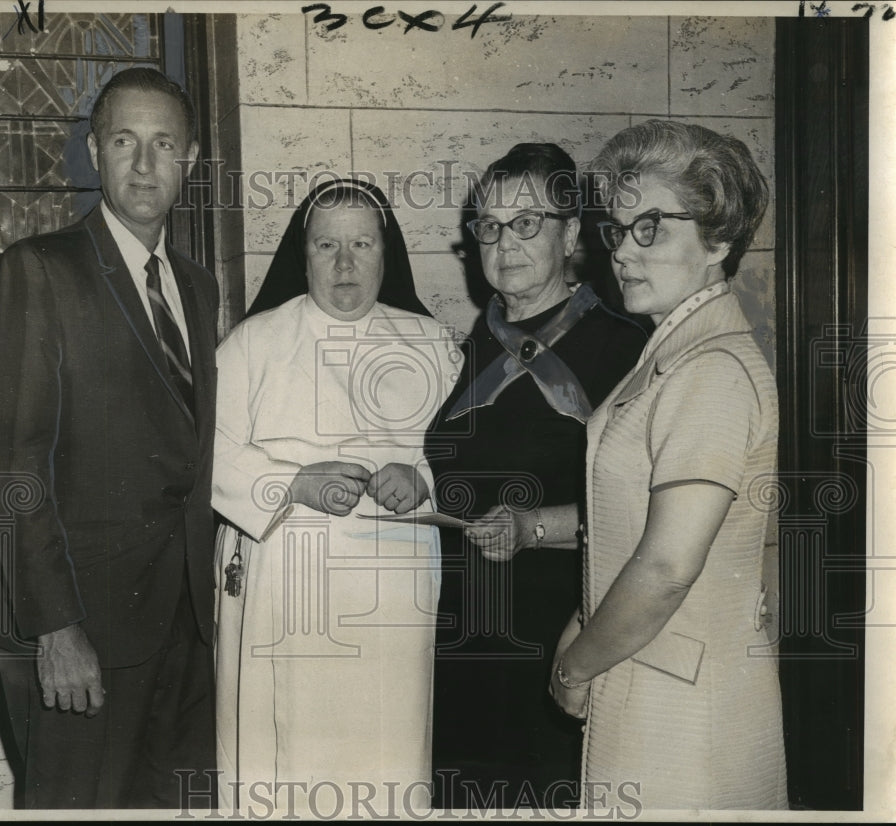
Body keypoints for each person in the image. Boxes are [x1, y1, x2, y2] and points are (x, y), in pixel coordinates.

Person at [472, 120, 788, 809]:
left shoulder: (712, 370)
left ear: (720, 239)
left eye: (652, 228)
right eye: (618, 229)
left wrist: (576, 664)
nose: (624, 252)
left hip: (683, 700)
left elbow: (668, 566)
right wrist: (584, 622)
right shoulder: (671, 353)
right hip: (647, 669)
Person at [0, 67, 219, 808]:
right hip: (76, 632)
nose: (144, 165)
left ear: (192, 159)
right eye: (124, 142)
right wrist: (57, 628)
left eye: (163, 143)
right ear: (93, 150)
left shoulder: (197, 288)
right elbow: (10, 466)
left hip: (182, 625)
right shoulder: (38, 272)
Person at [211, 178, 461, 815]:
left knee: (386, 763)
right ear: (305, 254)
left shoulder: (435, 346)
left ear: (386, 253)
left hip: (393, 604)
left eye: (361, 244)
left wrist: (424, 477)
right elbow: (204, 454)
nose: (345, 263)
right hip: (282, 598)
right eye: (327, 245)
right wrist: (292, 482)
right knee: (287, 764)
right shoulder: (250, 344)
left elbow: (472, 457)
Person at [424, 144, 646, 810]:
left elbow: (649, 512)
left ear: (572, 234)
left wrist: (534, 526)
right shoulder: (461, 350)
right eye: (489, 227)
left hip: (563, 641)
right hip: (463, 643)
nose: (504, 242)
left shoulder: (625, 347)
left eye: (526, 223)